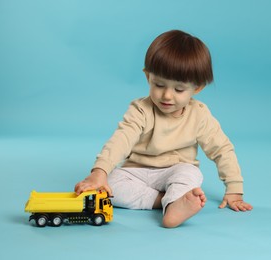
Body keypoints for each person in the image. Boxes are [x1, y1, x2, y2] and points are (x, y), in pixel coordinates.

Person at [74, 30, 252, 228]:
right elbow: (122, 139)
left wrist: (234, 189)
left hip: (176, 169)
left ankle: (174, 207)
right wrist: (100, 171)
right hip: (137, 172)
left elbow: (222, 149)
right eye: (159, 84)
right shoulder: (141, 110)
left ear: (197, 88)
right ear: (147, 76)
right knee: (110, 187)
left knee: (190, 175)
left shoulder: (199, 115)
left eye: (179, 89)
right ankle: (167, 200)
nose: (167, 96)